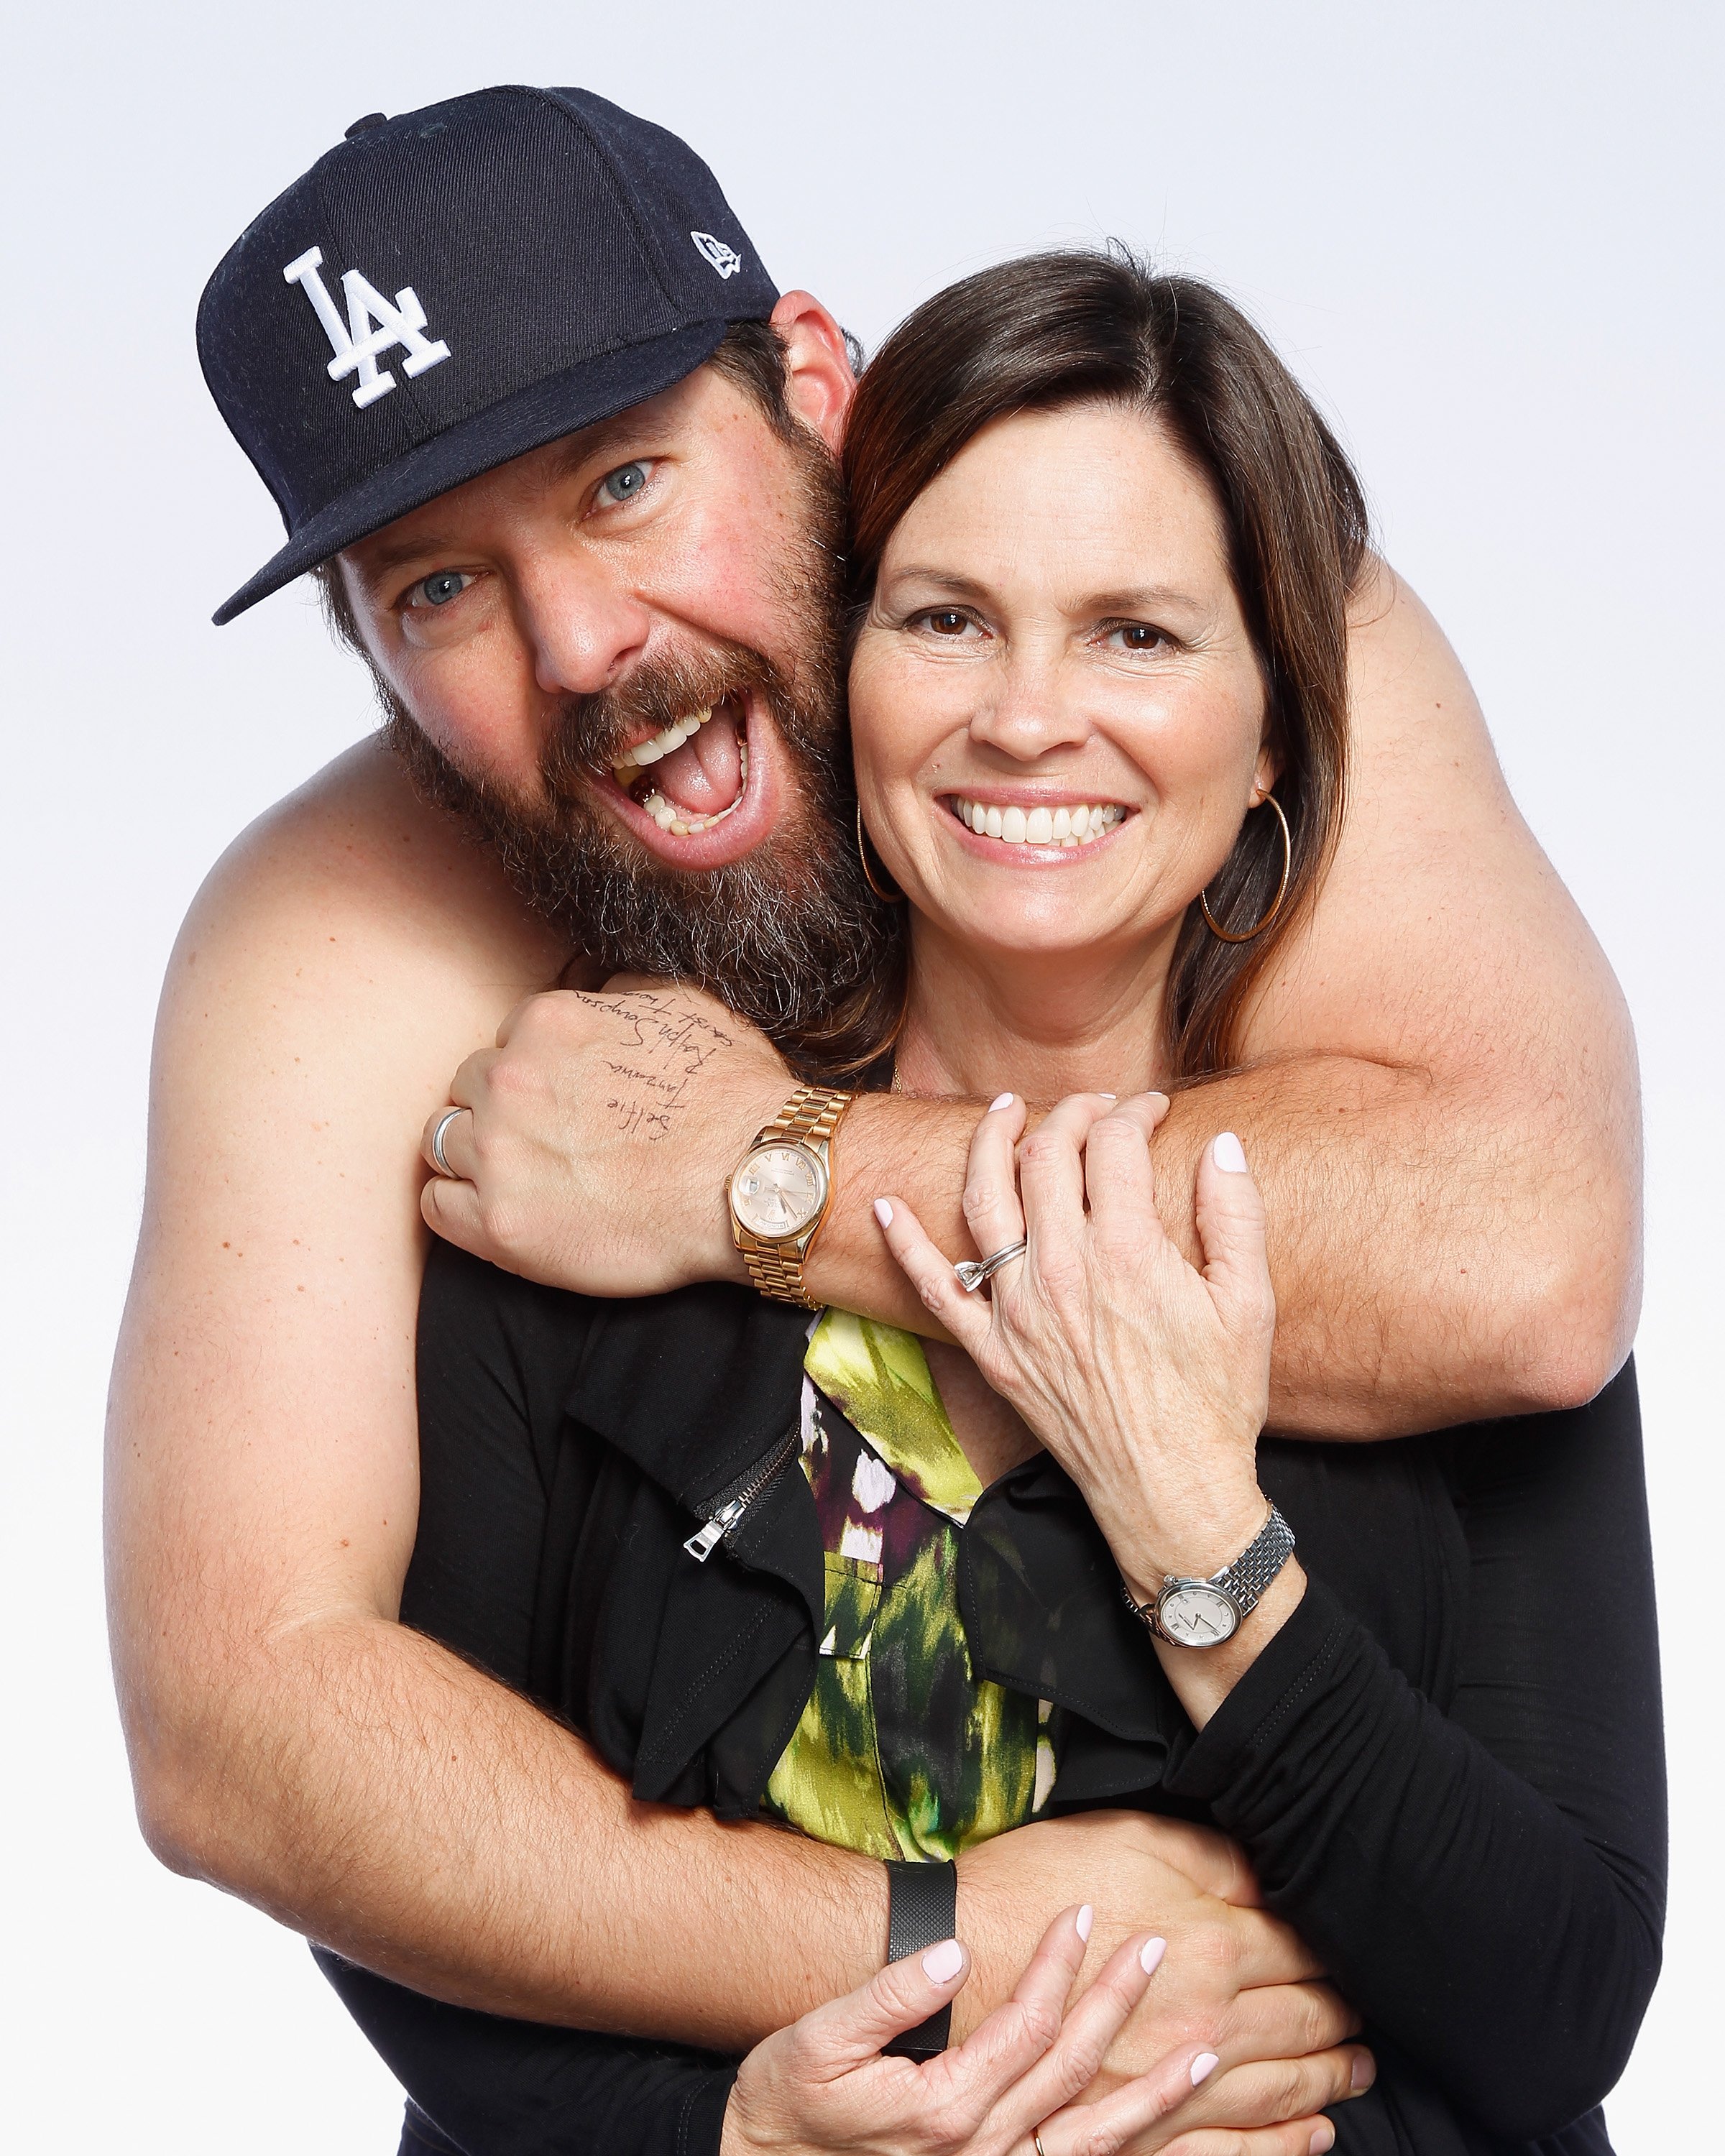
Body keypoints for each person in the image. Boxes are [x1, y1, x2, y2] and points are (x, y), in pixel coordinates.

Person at [104, 86, 1642, 2151]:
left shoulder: (1181, 592)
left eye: (628, 481)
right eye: (438, 591)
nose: (582, 647)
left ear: (813, 390)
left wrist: (765, 1181)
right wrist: (933, 1947)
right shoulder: (366, 955)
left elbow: (1529, 1256)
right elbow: (252, 1738)